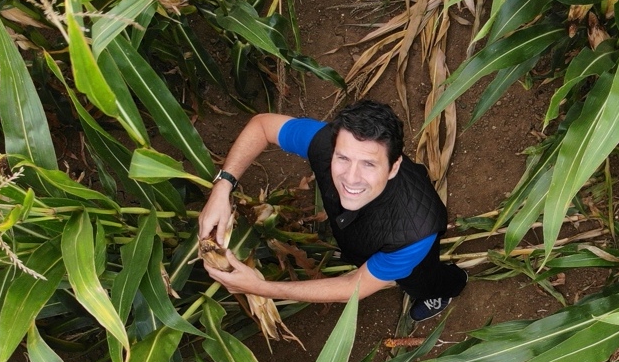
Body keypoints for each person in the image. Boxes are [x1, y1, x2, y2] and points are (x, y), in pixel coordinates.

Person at [198, 100, 468, 322]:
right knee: (355, 240)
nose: (351, 177)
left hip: (408, 246)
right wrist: (222, 188)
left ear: (394, 166)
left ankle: (448, 287)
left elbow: (353, 286)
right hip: (365, 229)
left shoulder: (414, 232)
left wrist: (261, 288)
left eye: (368, 164)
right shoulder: (325, 143)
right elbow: (263, 125)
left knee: (419, 280)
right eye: (343, 158)